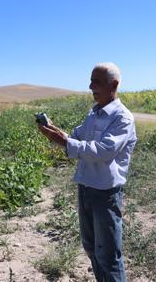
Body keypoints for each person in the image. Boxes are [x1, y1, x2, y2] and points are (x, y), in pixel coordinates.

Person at [37, 62, 137, 282]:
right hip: (86, 188)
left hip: (105, 193)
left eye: (97, 82)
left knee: (108, 256)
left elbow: (103, 151)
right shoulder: (94, 113)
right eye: (91, 80)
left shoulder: (123, 118)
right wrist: (56, 132)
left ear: (114, 84)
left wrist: (64, 142)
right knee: (91, 248)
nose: (91, 85)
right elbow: (77, 138)